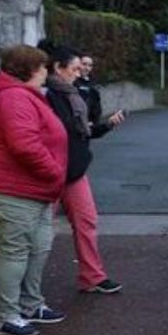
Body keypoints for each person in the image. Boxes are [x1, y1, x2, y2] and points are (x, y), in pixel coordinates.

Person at [0, 45, 68, 335]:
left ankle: (30, 304)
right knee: (15, 252)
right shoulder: (14, 98)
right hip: (15, 190)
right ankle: (6, 315)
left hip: (32, 190)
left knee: (38, 247)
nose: (47, 71)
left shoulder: (22, 96)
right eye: (43, 67)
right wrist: (54, 171)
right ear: (30, 70)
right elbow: (24, 145)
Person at [44, 47, 126, 294]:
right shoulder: (46, 95)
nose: (80, 73)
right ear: (58, 68)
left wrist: (107, 125)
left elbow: (83, 130)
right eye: (75, 68)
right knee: (38, 231)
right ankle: (27, 290)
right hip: (51, 173)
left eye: (82, 68)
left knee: (87, 221)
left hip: (75, 171)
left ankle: (92, 277)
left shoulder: (73, 94)